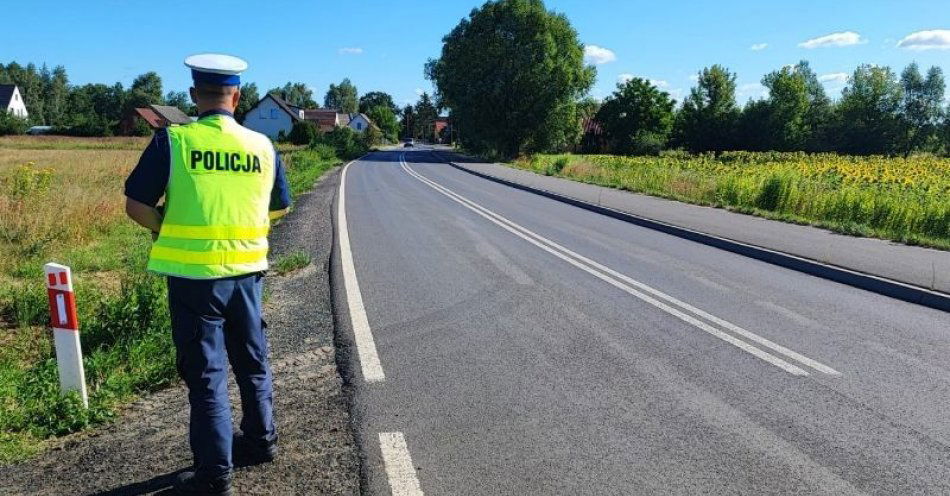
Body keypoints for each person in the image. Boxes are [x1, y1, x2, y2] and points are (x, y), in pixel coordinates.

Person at [124, 53, 291, 496]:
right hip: (248, 274)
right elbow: (281, 206)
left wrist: (168, 225)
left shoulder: (173, 141)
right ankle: (262, 441)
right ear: (237, 96)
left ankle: (216, 475)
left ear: (194, 95)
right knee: (253, 361)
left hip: (194, 280)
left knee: (207, 376)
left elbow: (136, 205)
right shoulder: (262, 147)